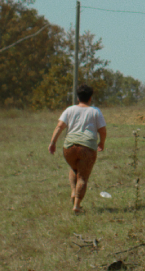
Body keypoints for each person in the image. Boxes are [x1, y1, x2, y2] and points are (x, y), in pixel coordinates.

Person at [48, 84, 107, 214]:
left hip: (69, 147)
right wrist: (102, 143)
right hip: (87, 147)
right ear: (90, 98)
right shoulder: (95, 111)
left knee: (74, 168)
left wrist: (53, 142)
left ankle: (74, 191)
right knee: (83, 177)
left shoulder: (69, 110)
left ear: (77, 97)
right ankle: (77, 205)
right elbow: (102, 130)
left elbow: (59, 126)